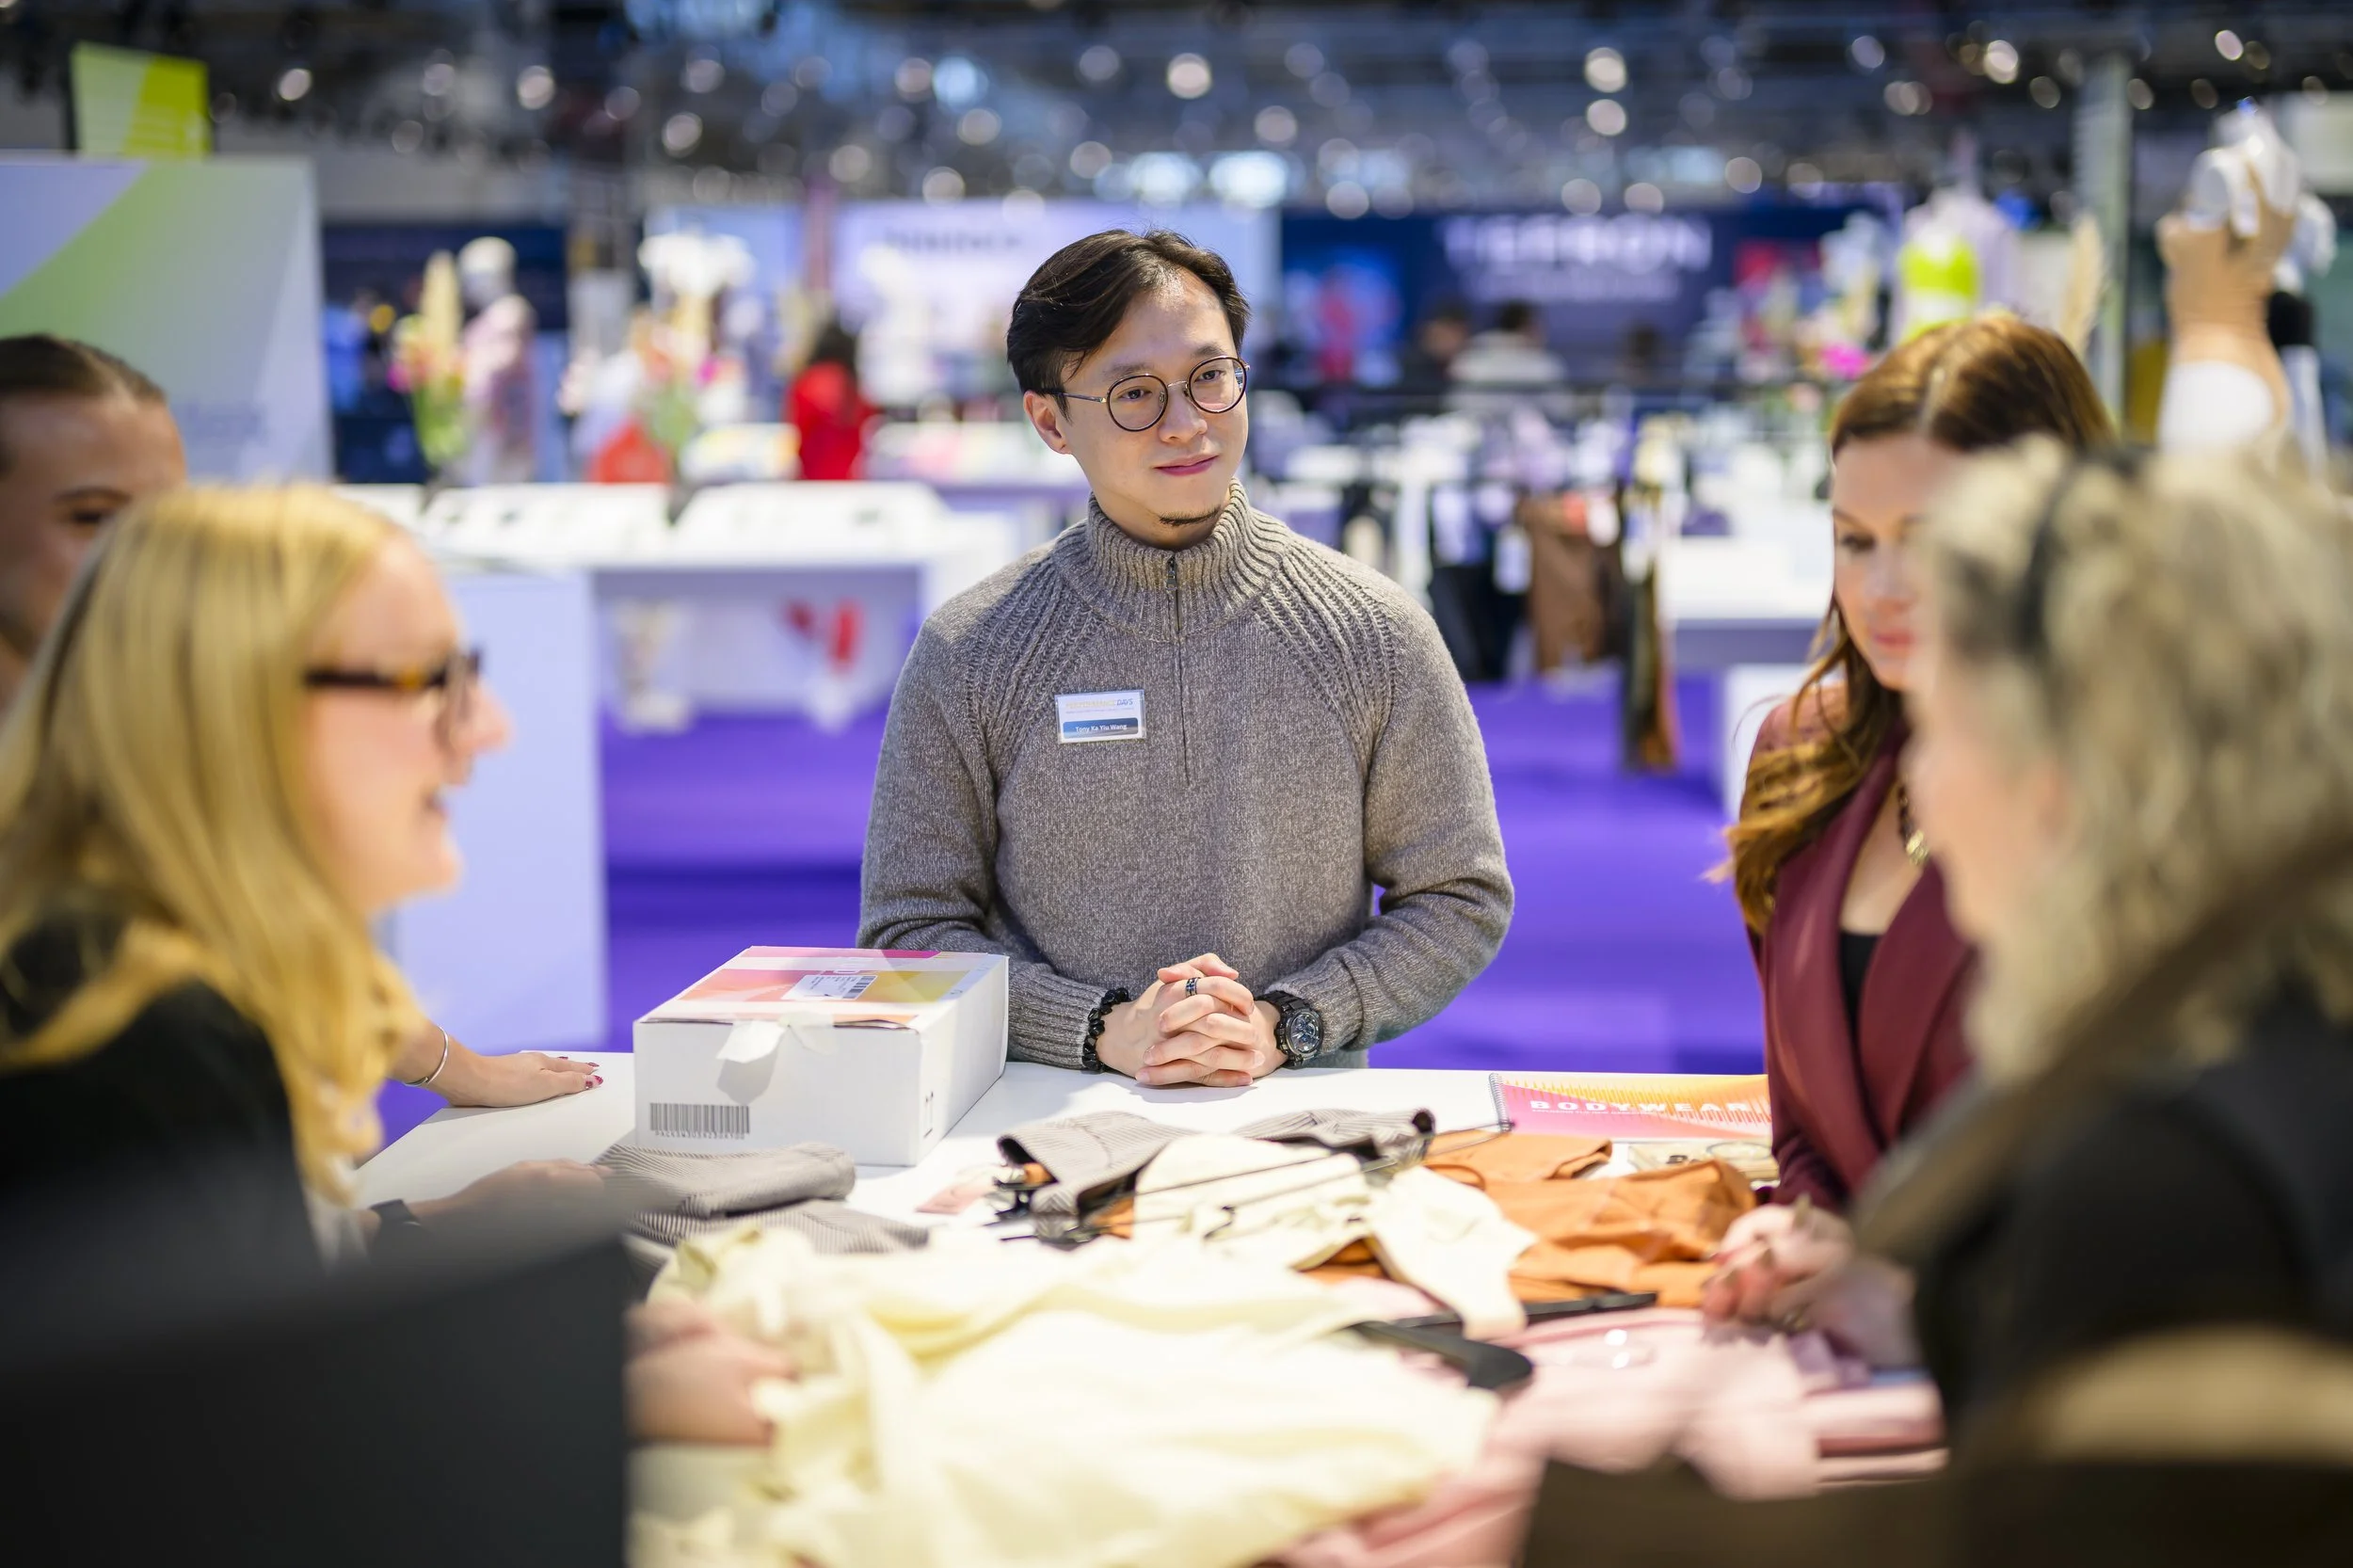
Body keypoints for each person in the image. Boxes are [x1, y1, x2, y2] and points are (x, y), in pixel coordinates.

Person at [0, 485, 787, 1444]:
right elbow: (204, 1462)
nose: (487, 725)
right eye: (430, 678)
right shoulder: (136, 1033)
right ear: (242, 706)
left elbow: (227, 1311)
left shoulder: (124, 978)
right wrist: (574, 1403)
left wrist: (429, 1238)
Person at [1707, 444, 2353, 1434]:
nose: (1919, 782)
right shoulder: (2259, 1035)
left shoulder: (2150, 1173)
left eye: (1939, 724)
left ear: (2062, 777)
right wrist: (1922, 1309)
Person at [858, 229, 1512, 1086]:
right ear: (1050, 419)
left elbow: (1458, 895)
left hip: (1306, 1126)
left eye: (1211, 377)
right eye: (1134, 393)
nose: (1186, 424)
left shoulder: (1375, 632)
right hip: (1036, 1125)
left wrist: (1295, 1021)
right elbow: (910, 924)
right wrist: (1098, 1030)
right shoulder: (972, 650)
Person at [0, 333, 591, 1109]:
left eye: (166, 521)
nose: (147, 562)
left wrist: (442, 1121)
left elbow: (279, 940)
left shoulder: (147, 738)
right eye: (91, 517)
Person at [1720, 318, 2113, 1221]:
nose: (1883, 587)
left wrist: (1910, 1297)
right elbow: (1809, 1119)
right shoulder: (1801, 756)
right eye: (1855, 539)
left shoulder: (2139, 789)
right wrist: (1811, 1229)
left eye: (1930, 539)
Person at [786, 318, 875, 482]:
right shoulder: (853, 385)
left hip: (811, 480)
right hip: (847, 480)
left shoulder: (807, 382)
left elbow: (797, 431)